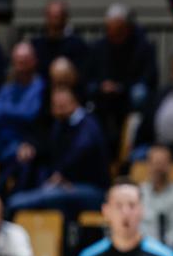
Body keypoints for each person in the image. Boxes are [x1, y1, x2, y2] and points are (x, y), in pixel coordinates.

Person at [6, 87, 110, 217]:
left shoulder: (88, 124)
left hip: (92, 189)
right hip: (65, 186)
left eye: (61, 106)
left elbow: (80, 152)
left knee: (22, 202)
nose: (57, 110)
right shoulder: (60, 125)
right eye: (55, 106)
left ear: (74, 103)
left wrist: (62, 174)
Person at [84, 3, 158, 149]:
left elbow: (149, 77)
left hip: (129, 92)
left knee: (139, 93)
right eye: (110, 29)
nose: (113, 33)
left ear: (127, 28)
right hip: (104, 93)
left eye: (118, 29)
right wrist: (102, 85)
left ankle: (134, 143)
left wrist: (121, 87)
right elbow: (89, 74)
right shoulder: (99, 46)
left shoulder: (142, 46)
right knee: (88, 92)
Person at [0, 41, 46, 164]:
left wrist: (4, 111)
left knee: (11, 157)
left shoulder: (40, 86)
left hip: (24, 141)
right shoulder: (7, 87)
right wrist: (16, 112)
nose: (19, 67)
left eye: (24, 62)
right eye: (17, 62)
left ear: (34, 61)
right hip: (0, 141)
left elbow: (30, 114)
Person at [139, 145, 173, 251]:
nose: (158, 168)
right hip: (140, 248)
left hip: (168, 250)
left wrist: (158, 246)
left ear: (170, 166)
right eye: (155, 163)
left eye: (162, 163)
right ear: (148, 165)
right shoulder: (139, 192)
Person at [30, 0, 89, 75]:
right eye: (51, 16)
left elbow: (82, 74)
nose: (54, 21)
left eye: (57, 17)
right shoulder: (36, 46)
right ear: (46, 17)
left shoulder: (78, 45)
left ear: (65, 18)